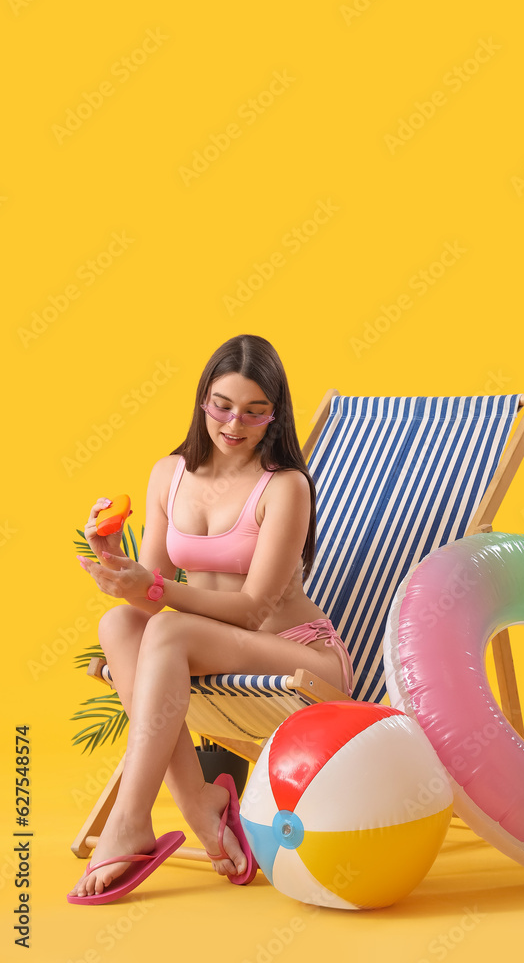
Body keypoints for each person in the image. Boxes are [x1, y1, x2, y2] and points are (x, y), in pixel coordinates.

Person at [69, 334, 353, 903]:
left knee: (167, 631)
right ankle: (200, 803)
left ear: (275, 417)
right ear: (203, 401)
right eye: (222, 405)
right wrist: (115, 565)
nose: (234, 423)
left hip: (297, 655)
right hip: (204, 648)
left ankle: (132, 821)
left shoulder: (285, 487)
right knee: (118, 627)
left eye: (254, 411)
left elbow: (252, 611)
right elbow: (149, 598)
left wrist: (155, 588)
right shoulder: (168, 474)